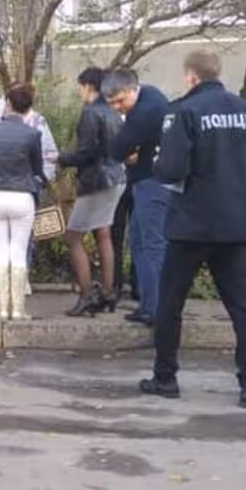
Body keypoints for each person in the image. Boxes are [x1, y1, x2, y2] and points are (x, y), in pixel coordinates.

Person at [140, 51, 246, 409]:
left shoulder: (182, 112)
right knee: (242, 308)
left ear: (191, 76)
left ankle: (165, 377)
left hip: (191, 225)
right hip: (235, 226)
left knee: (171, 303)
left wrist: (156, 163)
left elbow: (171, 169)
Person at [105, 68, 171, 327]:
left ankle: (156, 309)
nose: (118, 108)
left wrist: (132, 151)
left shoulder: (143, 112)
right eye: (112, 104)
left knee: (152, 245)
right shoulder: (152, 95)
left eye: (120, 101)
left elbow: (117, 149)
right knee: (139, 242)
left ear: (133, 89)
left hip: (151, 182)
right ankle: (147, 303)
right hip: (148, 179)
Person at [57, 67, 125, 316]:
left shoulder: (90, 113)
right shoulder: (114, 111)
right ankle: (108, 293)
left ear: (88, 86)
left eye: (80, 87)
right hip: (116, 177)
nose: (79, 92)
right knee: (104, 233)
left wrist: (61, 158)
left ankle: (87, 295)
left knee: (72, 237)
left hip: (96, 181)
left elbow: (86, 152)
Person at [0, 83, 46, 320]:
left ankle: (1, 310)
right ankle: (18, 310)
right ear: (29, 107)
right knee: (18, 252)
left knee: (0, 252)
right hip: (22, 196)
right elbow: (37, 168)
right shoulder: (33, 134)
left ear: (7, 103)